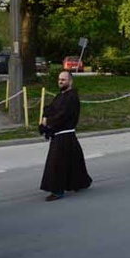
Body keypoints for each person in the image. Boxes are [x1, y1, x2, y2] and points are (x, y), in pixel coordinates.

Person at [39, 71, 92, 201]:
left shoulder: (72, 97)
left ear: (70, 81)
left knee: (56, 163)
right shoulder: (60, 96)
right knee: (75, 159)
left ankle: (57, 190)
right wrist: (45, 117)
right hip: (61, 134)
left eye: (63, 79)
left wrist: (48, 123)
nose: (60, 82)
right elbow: (50, 108)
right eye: (59, 79)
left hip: (65, 134)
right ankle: (80, 182)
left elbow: (63, 115)